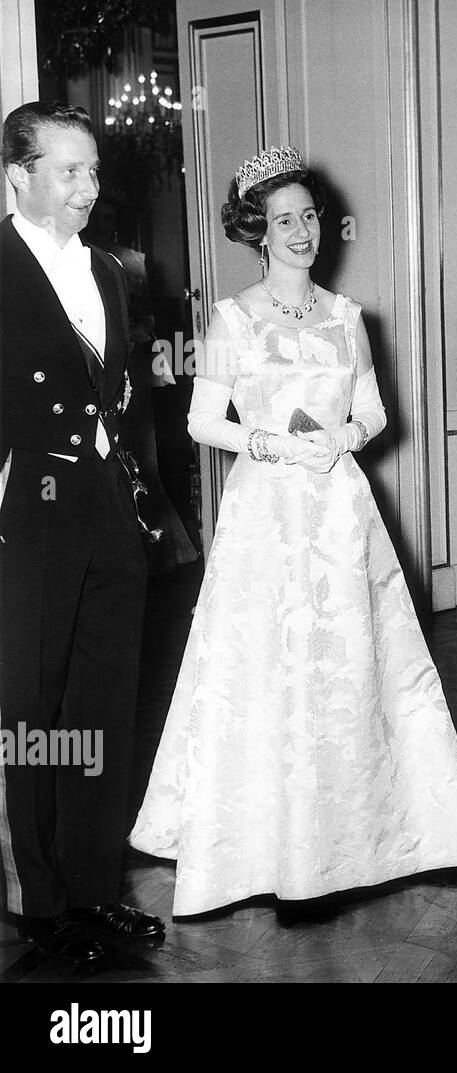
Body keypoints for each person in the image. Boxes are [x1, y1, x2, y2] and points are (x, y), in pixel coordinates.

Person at [128, 146, 457, 915]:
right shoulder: (232, 318)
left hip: (337, 507)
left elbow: (375, 410)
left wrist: (346, 437)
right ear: (257, 233)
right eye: (282, 220)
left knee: (355, 660)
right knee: (266, 662)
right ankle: (263, 844)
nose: (300, 231)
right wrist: (267, 442)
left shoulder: (346, 317)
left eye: (308, 217)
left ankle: (371, 832)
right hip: (267, 512)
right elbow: (202, 421)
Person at [0, 101, 162, 968]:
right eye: (70, 170)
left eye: (93, 170)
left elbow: (124, 396)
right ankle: (40, 898)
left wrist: (142, 502)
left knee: (103, 701)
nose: (89, 188)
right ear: (17, 173)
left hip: (105, 501)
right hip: (27, 505)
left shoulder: (107, 269)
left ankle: (97, 883)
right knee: (32, 707)